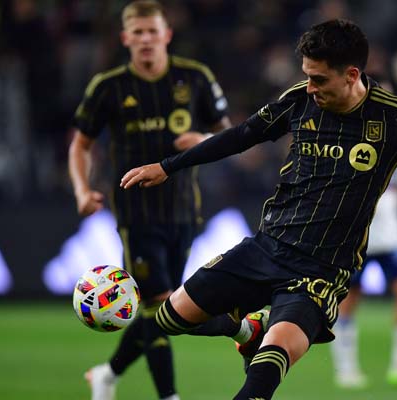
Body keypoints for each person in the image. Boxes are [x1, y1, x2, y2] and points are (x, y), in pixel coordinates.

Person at [119, 19, 397, 400]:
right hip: (265, 247)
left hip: (320, 271)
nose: (310, 87)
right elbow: (242, 135)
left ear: (351, 75)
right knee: (169, 318)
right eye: (307, 77)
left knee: (263, 375)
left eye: (319, 79)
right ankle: (247, 329)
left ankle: (265, 336)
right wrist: (168, 166)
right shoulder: (299, 99)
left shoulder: (393, 116)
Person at [66, 2, 257, 399]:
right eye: (137, 33)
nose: (146, 39)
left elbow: (235, 137)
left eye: (152, 31)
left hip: (185, 211)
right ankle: (180, 386)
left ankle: (108, 373)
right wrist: (83, 190)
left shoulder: (195, 78)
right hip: (136, 215)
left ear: (166, 35)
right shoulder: (109, 86)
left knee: (170, 312)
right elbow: (80, 145)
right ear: (125, 39)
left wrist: (203, 140)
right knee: (159, 305)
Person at [330, 151, 397, 388]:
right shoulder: (350, 137)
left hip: (392, 235)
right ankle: (346, 369)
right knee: (348, 298)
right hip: (355, 234)